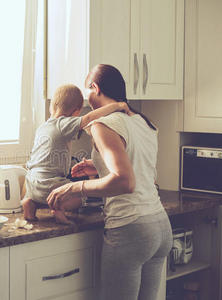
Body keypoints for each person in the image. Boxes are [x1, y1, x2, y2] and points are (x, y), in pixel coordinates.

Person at [46, 64, 172, 300]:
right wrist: (98, 166)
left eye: (87, 91)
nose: (86, 99)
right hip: (160, 227)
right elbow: (143, 171)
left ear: (95, 88)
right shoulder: (143, 121)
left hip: (131, 229)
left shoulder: (102, 124)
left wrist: (74, 187)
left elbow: (125, 182)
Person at [22, 83, 130, 224]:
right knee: (79, 197)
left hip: (31, 182)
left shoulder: (42, 127)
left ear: (51, 106)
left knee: (40, 196)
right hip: (51, 183)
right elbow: (89, 119)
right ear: (76, 112)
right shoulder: (63, 123)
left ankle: (30, 204)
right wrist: (117, 106)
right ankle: (58, 209)